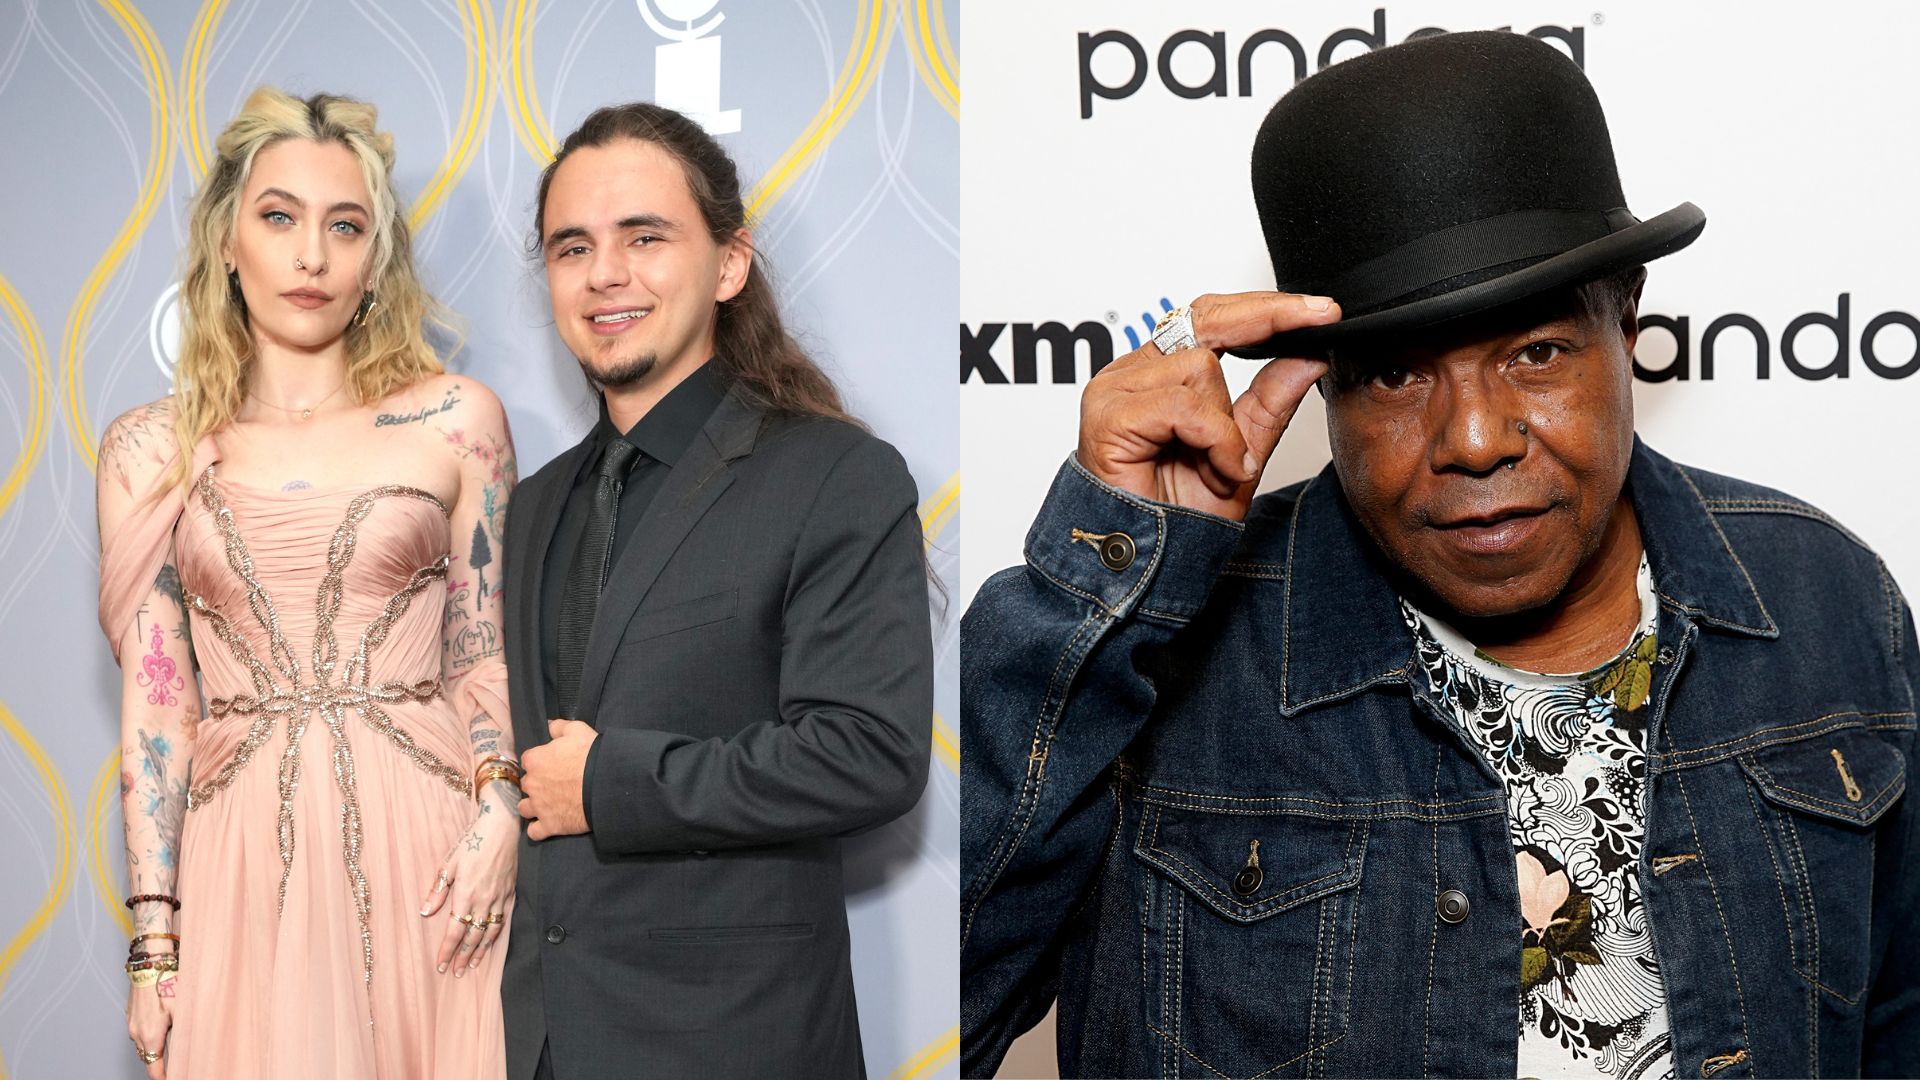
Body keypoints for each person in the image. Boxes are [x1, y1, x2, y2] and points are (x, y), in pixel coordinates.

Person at [960, 32, 1917, 1080]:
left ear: (1626, 322)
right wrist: (1103, 594)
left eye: (1537, 353)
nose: (1474, 439)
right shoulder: (1176, 648)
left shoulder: (1823, 597)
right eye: (1397, 376)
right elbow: (931, 1016)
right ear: (1318, 385)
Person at [499, 102, 933, 1080]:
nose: (605, 272)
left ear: (729, 264)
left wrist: (612, 786)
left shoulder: (833, 475)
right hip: (550, 1043)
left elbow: (868, 755)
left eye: (644, 237)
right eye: (572, 248)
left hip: (738, 1040)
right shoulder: (532, 505)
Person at [98, 88, 521, 1079]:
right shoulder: (150, 450)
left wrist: (499, 814)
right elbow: (159, 708)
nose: (310, 255)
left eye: (346, 226)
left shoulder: (457, 420)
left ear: (376, 260)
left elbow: (483, 647)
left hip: (430, 838)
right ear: (226, 240)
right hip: (243, 851)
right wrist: (154, 941)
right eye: (279, 217)